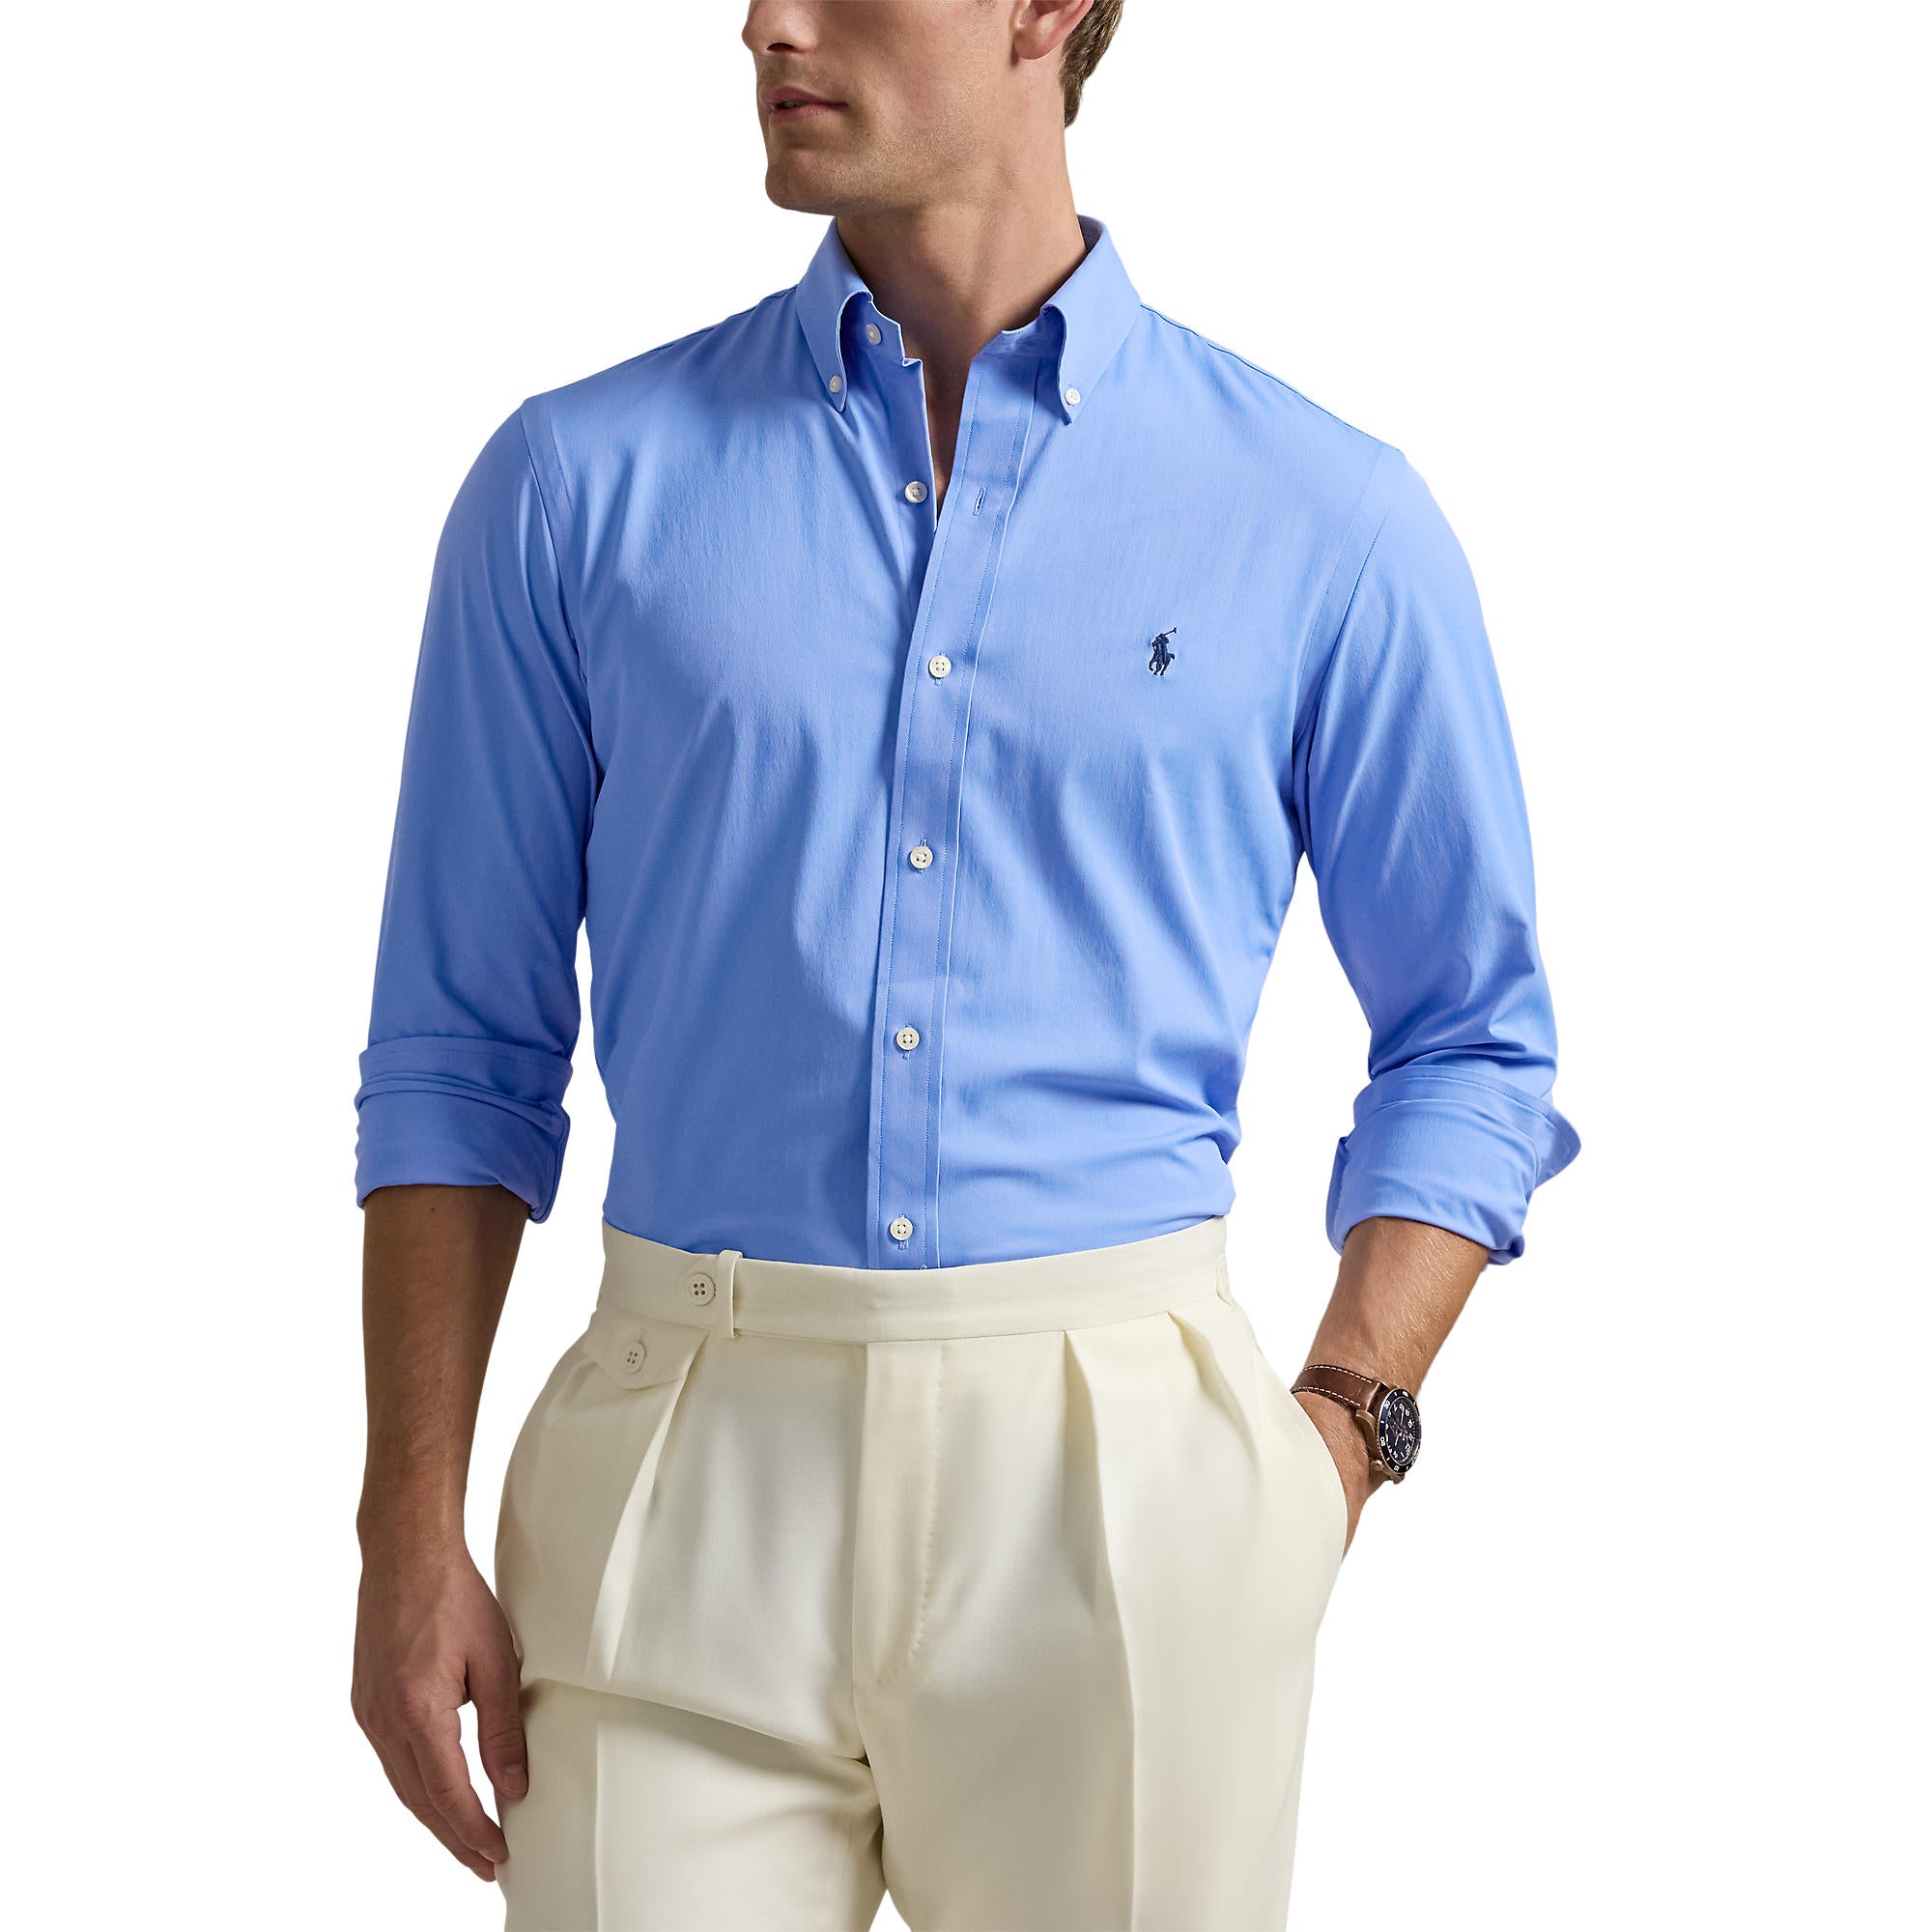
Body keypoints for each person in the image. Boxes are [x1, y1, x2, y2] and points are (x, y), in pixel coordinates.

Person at [349, 3, 1579, 1925]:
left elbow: (1474, 1039)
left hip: (1129, 1491)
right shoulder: (573, 488)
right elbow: (460, 1050)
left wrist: (1346, 1428)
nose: (766, 20)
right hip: (680, 1459)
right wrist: (404, 1525)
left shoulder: (1322, 517)